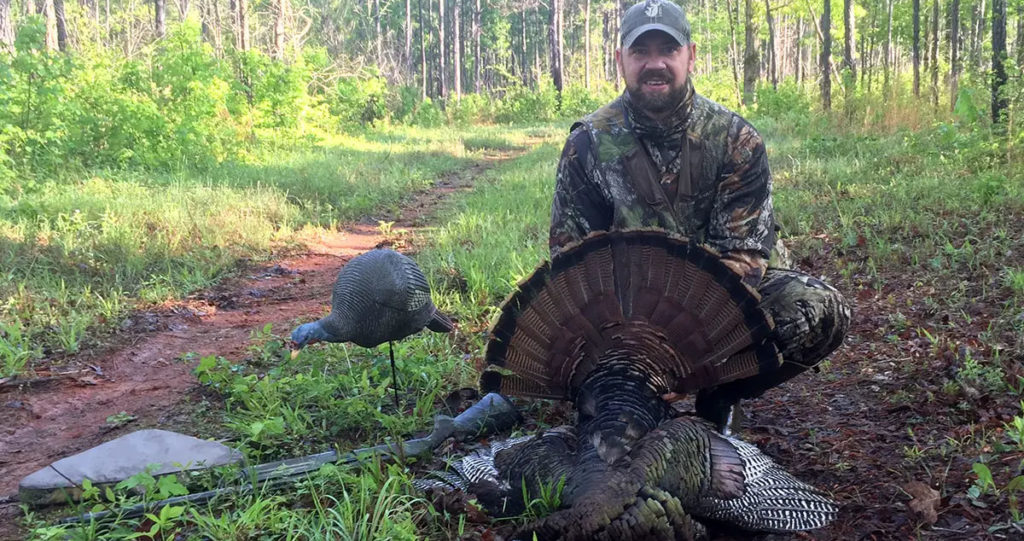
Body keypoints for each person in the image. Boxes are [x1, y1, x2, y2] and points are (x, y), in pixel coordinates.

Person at [549, 0, 850, 432]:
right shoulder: (589, 143)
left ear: (690, 55)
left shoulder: (734, 139)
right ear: (620, 60)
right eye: (640, 52)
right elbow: (571, 264)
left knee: (821, 308)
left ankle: (721, 393)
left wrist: (683, 360)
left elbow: (741, 262)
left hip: (714, 318)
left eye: (667, 50)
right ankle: (623, 392)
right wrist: (630, 352)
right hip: (626, 319)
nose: (655, 64)